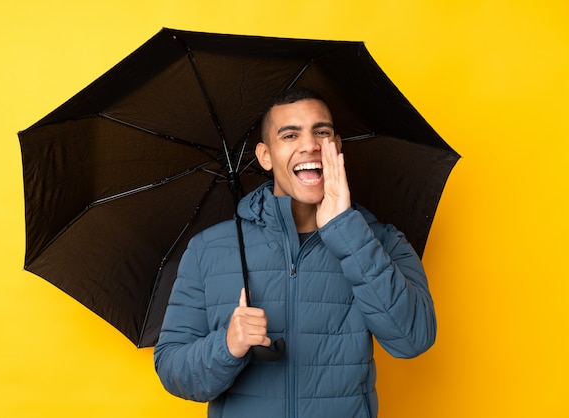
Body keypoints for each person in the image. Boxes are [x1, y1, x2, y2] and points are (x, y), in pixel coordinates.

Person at [154, 87, 436, 418]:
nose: (309, 145)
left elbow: (413, 339)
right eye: (290, 135)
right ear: (265, 155)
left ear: (337, 145)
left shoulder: (380, 241)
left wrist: (346, 229)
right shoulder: (207, 250)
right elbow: (172, 369)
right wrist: (227, 346)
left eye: (322, 132)